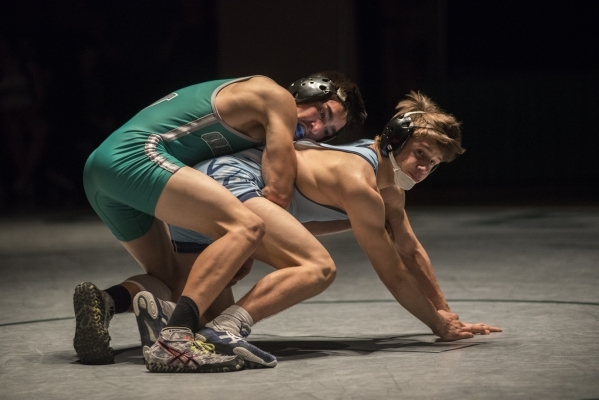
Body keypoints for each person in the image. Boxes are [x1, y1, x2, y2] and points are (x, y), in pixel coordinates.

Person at [133, 90, 501, 372]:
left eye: (433, 164)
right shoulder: (360, 183)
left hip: (208, 184)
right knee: (317, 268)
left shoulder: (385, 186)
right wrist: (437, 326)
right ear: (395, 139)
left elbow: (410, 250)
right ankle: (227, 330)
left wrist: (447, 314)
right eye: (421, 154)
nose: (423, 169)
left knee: (198, 316)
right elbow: (395, 273)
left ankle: (151, 313)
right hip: (228, 185)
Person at [74, 71, 367, 371]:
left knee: (176, 281)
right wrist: (246, 248)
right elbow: (278, 194)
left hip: (103, 172)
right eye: (322, 113)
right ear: (305, 92)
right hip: (135, 156)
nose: (317, 128)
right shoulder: (277, 99)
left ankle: (105, 301)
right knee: (248, 227)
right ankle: (174, 341)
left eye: (328, 131)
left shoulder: (257, 109)